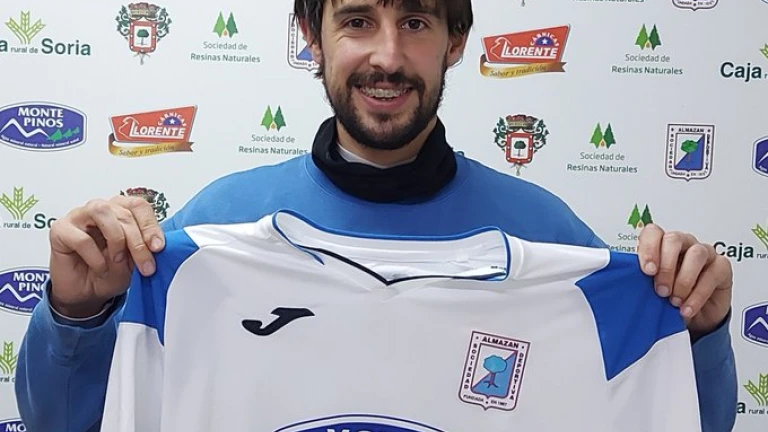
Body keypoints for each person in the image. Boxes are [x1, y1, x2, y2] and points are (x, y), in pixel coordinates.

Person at [15, 1, 736, 431]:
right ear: (312, 34)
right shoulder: (208, 238)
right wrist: (78, 315)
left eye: (415, 21)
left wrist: (698, 330)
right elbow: (64, 422)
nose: (387, 57)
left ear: (456, 40)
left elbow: (681, 419)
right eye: (358, 20)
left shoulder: (552, 242)